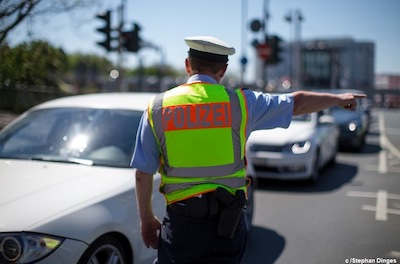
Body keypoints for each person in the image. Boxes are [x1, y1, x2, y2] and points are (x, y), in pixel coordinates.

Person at [131, 36, 366, 264]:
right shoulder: (242, 103)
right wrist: (337, 99)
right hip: (227, 226)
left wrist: (145, 219)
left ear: (187, 65)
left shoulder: (158, 108)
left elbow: (143, 173)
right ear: (223, 70)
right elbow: (297, 103)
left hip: (182, 226)